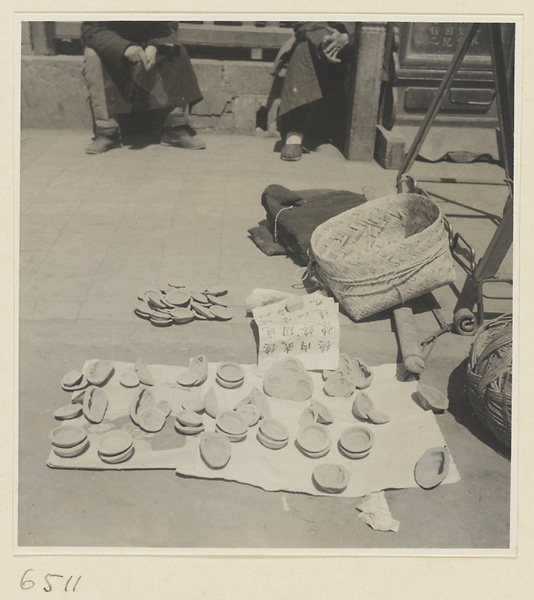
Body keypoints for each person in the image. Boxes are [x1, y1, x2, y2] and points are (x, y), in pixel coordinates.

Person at [81, 21, 206, 154]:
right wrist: (124, 48)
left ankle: (174, 128)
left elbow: (168, 25)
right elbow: (91, 28)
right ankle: (107, 131)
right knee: (93, 56)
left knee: (177, 51)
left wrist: (154, 45)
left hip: (148, 45)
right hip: (112, 46)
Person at [274, 22, 356, 161]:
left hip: (364, 37)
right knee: (304, 49)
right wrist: (325, 38)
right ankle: (295, 132)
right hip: (320, 34)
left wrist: (349, 36)